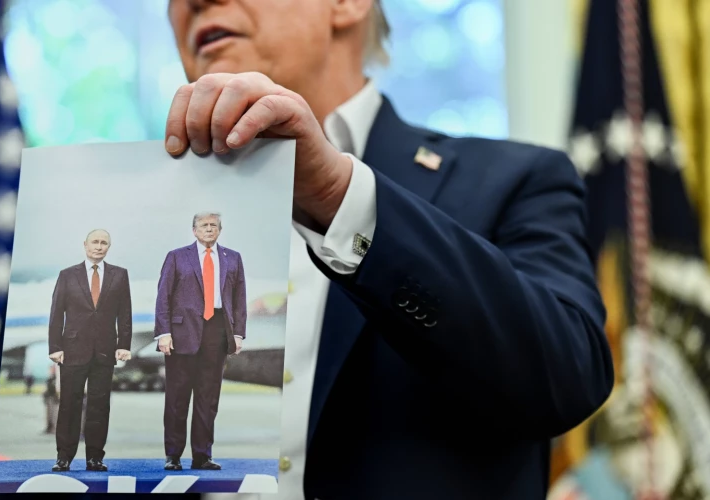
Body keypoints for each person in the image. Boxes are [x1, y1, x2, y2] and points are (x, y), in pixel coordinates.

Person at [160, 0, 614, 499]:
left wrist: (339, 198)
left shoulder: (516, 181)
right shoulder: (146, 217)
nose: (193, 3)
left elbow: (567, 378)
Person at [154, 212, 247, 471]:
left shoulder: (233, 258)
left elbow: (239, 299)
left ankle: (202, 455)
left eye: (213, 225)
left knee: (208, 398)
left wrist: (238, 333)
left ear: (220, 230)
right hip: (181, 334)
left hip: (216, 332)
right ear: (194, 230)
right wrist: (163, 333)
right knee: (177, 397)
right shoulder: (176, 256)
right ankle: (173, 455)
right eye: (204, 225)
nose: (209, 229)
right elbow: (163, 296)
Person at [48, 229, 133, 472]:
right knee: (69, 404)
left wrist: (124, 344)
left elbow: (124, 313)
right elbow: (56, 314)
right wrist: (55, 347)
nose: (99, 246)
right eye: (95, 242)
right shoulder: (67, 275)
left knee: (100, 404)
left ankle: (95, 457)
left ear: (109, 246)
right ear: (85, 245)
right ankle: (64, 457)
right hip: (72, 349)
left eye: (103, 243)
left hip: (105, 350)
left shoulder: (120, 275)